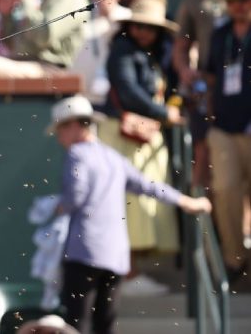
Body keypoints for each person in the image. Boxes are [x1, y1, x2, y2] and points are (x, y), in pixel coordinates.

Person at [47, 95, 211, 334]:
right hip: (115, 256)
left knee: (76, 324)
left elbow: (76, 196)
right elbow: (149, 185)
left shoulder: (77, 155)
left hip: (84, 253)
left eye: (60, 130)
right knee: (105, 324)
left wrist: (60, 206)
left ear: (73, 125)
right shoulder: (113, 158)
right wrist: (186, 201)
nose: (59, 138)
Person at [99, 0, 183, 296]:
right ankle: (127, 274)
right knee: (128, 207)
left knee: (141, 205)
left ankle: (132, 272)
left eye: (151, 27)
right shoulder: (122, 49)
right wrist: (165, 113)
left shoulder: (149, 54)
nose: (144, 32)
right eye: (139, 26)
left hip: (143, 138)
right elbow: (129, 92)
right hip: (122, 137)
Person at [172, 0, 245, 188]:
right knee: (205, 156)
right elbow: (181, 46)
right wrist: (185, 72)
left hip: (245, 87)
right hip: (210, 86)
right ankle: (207, 222)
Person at [205, 0, 251, 283]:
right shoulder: (220, 35)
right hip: (223, 126)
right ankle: (234, 261)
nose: (240, 5)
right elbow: (210, 77)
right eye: (233, 0)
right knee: (225, 191)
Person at [70, 0, 131, 106]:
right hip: (83, 101)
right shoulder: (79, 18)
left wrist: (110, 16)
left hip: (122, 103)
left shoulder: (131, 18)